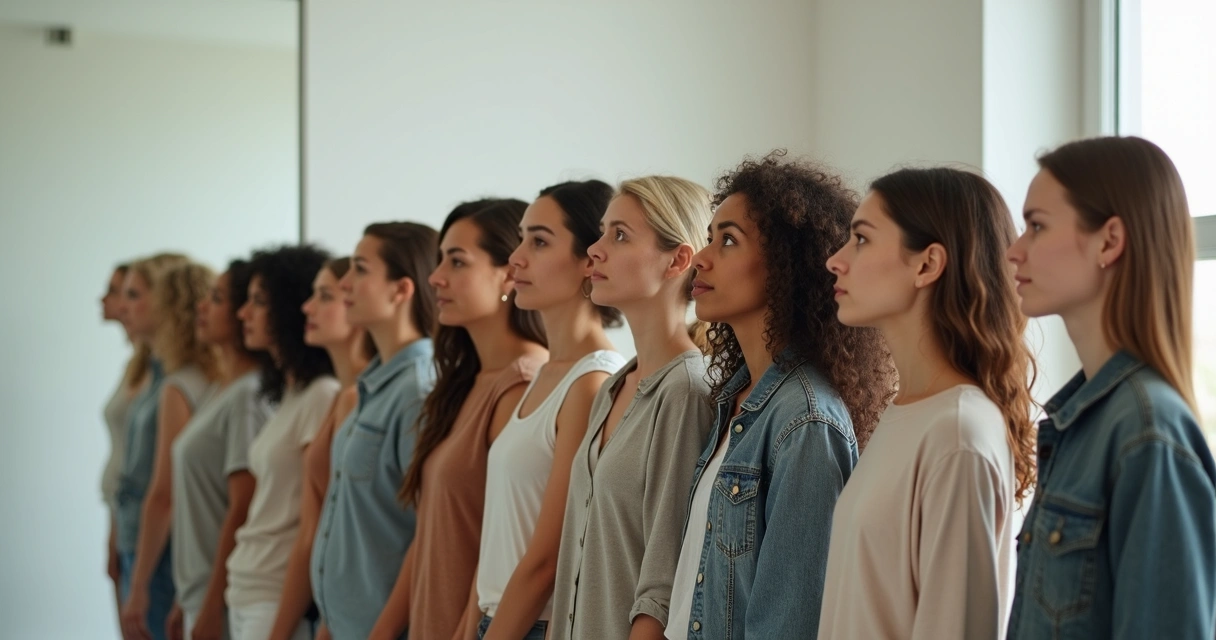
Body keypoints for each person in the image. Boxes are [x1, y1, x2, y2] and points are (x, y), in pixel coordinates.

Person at [668, 153, 895, 639]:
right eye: (709, 237)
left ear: (787, 264)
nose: (703, 258)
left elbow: (790, 624)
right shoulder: (734, 399)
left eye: (728, 241)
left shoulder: (805, 420)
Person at [1005, 136, 1216, 639]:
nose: (1014, 250)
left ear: (1109, 241)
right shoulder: (1082, 423)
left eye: (1037, 226)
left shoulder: (1146, 432)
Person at [820, 167, 1037, 639]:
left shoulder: (957, 432)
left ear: (926, 265)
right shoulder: (909, 415)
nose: (835, 261)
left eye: (861, 239)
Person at [370, 200, 548, 640]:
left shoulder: (523, 382)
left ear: (508, 274)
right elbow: (430, 531)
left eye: (457, 261)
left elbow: (503, 543)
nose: (435, 277)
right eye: (439, 261)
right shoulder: (464, 381)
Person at [551, 176, 716, 640]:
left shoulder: (685, 391)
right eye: (603, 232)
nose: (595, 250)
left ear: (678, 260)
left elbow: (663, 583)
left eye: (620, 235)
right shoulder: (614, 387)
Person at [478, 181, 628, 640]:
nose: (516, 258)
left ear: (589, 259)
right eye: (521, 239)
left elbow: (548, 560)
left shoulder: (592, 382)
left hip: (532, 625)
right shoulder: (546, 372)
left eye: (539, 242)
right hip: (499, 618)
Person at [225, 245, 338, 640]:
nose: (243, 313)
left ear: (287, 309)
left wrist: (280, 629)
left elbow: (314, 524)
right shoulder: (293, 393)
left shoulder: (323, 394)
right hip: (247, 586)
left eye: (259, 302)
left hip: (273, 599)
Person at [269, 257, 376, 640]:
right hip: (329, 607)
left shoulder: (363, 396)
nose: (307, 307)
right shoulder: (341, 395)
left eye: (326, 296)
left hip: (350, 613)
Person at [166, 259, 274, 640]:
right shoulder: (222, 389)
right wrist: (186, 597)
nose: (202, 306)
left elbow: (241, 507)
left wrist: (213, 603)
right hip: (198, 591)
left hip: (224, 598)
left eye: (216, 299)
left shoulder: (248, 396)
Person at [120, 257, 220, 640]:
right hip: (166, 543)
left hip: (162, 549)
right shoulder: (200, 380)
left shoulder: (179, 385)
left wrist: (139, 582)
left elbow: (163, 493)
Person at [101, 261, 146, 624]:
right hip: (123, 516)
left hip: (142, 526)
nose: (110, 300)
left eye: (128, 293)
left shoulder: (161, 376)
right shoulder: (135, 366)